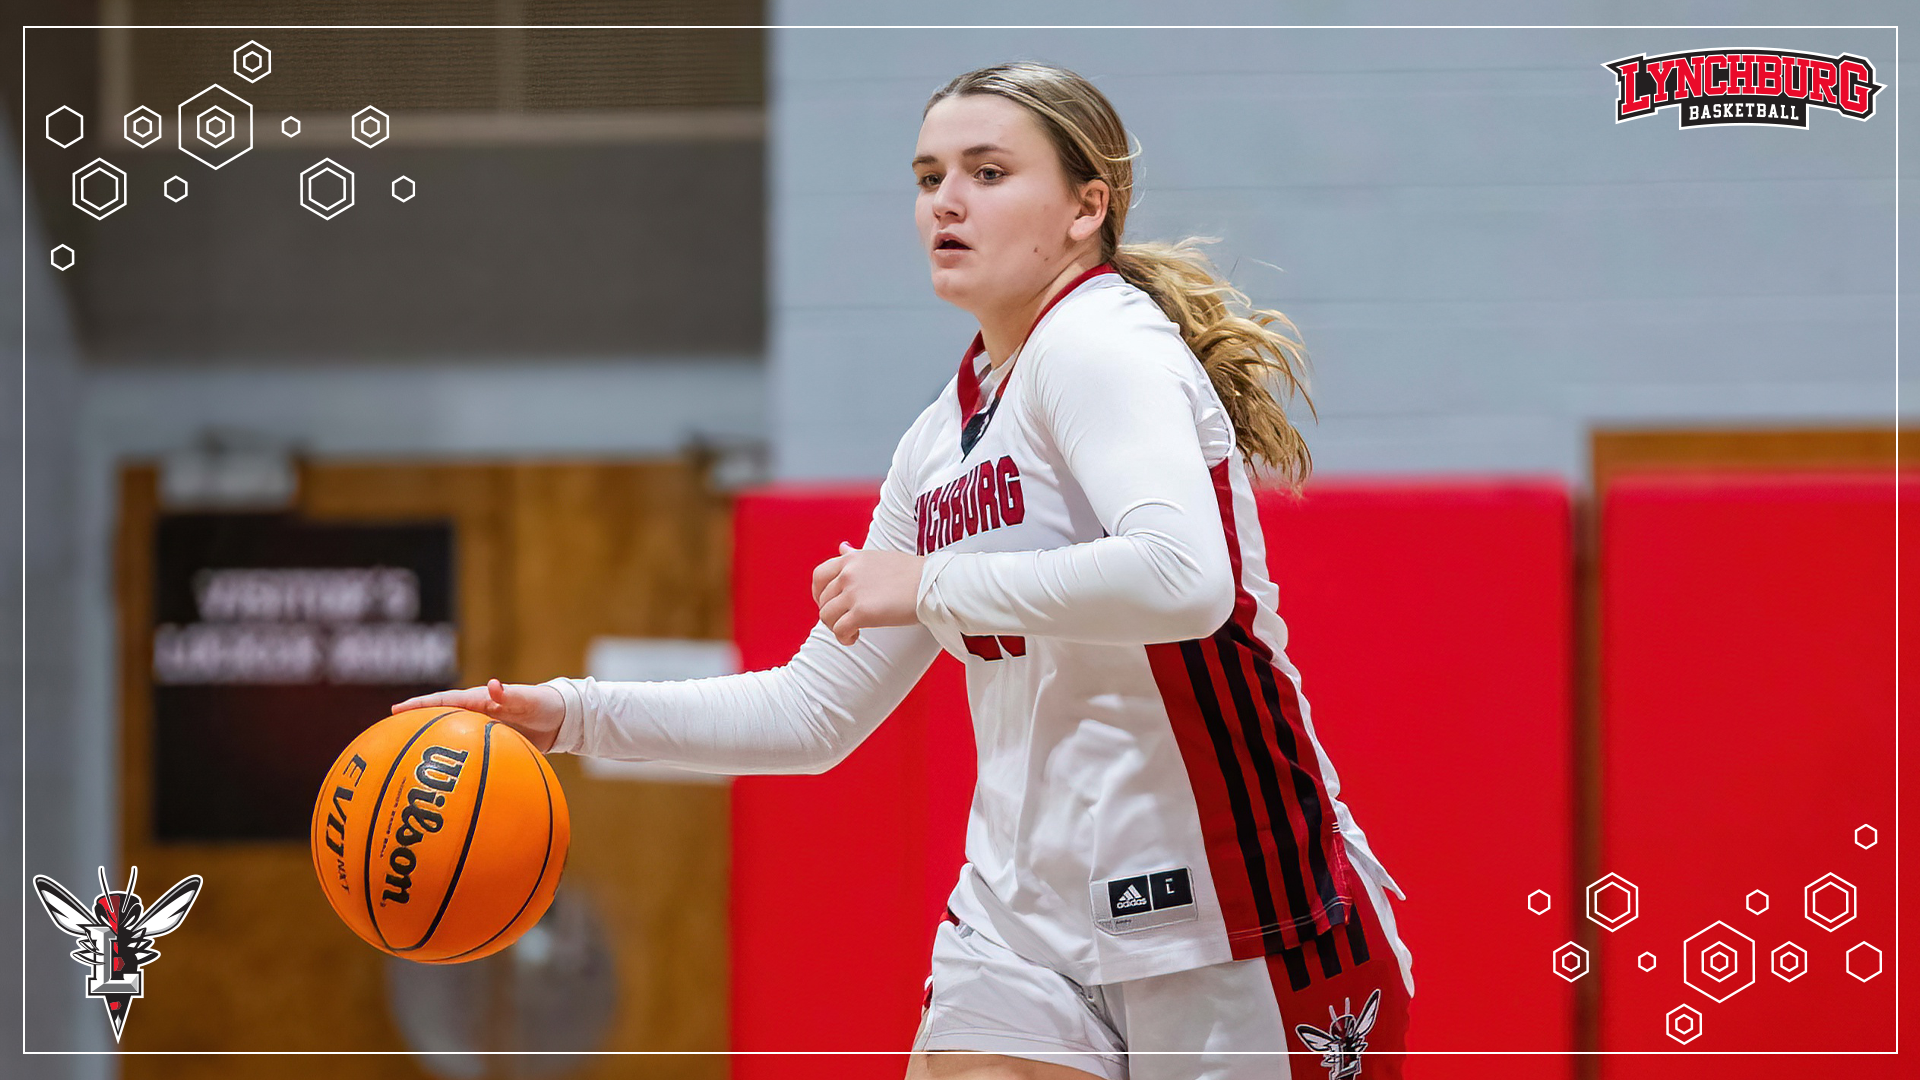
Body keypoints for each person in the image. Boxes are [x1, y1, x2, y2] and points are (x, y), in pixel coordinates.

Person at [396, 61, 1412, 1080]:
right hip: (1022, 923)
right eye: (929, 177)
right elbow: (812, 714)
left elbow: (1183, 581)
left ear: (1084, 207)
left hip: (1233, 909)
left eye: (988, 171)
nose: (948, 201)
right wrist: (564, 715)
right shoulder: (940, 438)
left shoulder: (1104, 347)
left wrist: (928, 586)